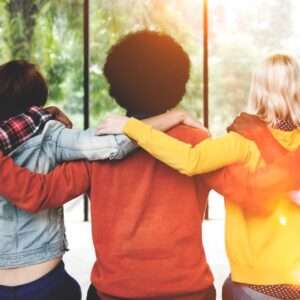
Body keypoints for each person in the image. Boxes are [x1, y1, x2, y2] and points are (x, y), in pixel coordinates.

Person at [0, 31, 216, 300]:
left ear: (116, 87)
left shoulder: (96, 150)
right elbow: (248, 190)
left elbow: (39, 193)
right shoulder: (199, 142)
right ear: (178, 81)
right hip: (189, 292)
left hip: (114, 294)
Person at [97, 54, 300, 299]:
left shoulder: (241, 142)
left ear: (258, 91)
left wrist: (131, 126)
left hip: (256, 282)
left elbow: (190, 160)